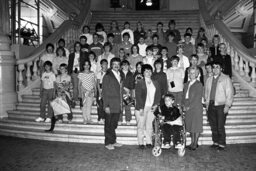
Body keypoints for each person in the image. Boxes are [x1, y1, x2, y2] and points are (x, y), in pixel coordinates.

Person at [205, 61, 234, 151]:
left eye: (217, 67)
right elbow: (206, 93)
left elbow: (230, 93)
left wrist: (227, 105)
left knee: (220, 126)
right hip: (211, 105)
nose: (215, 69)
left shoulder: (226, 78)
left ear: (221, 68)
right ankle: (215, 142)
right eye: (213, 67)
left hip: (221, 105)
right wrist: (207, 105)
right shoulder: (209, 79)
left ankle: (221, 143)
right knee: (213, 125)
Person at [135, 64, 161, 149]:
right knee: (141, 125)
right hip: (142, 107)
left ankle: (149, 142)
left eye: (150, 71)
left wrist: (156, 105)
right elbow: (138, 96)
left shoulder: (155, 83)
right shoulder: (140, 82)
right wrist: (141, 108)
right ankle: (141, 142)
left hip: (151, 107)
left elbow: (158, 95)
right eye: (146, 71)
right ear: (143, 72)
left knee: (149, 125)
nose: (148, 73)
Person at [102, 57, 123, 150]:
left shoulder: (120, 75)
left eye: (118, 64)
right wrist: (106, 105)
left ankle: (113, 141)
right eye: (114, 64)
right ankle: (107, 142)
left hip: (117, 104)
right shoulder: (107, 76)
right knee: (109, 124)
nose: (116, 66)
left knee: (114, 124)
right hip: (110, 104)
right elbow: (104, 92)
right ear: (111, 65)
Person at [182, 67, 203, 150]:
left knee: (196, 126)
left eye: (194, 73)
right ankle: (192, 142)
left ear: (197, 74)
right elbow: (184, 95)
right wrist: (183, 105)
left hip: (196, 107)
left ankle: (195, 143)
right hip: (187, 106)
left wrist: (189, 107)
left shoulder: (199, 84)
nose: (192, 74)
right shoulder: (187, 84)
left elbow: (197, 98)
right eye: (190, 73)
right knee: (190, 125)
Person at [119, 60, 135, 125]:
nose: (125, 66)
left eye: (127, 65)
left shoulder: (130, 74)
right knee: (120, 106)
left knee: (127, 106)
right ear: (121, 66)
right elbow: (118, 82)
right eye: (124, 65)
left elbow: (132, 84)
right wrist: (123, 88)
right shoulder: (118, 73)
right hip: (120, 91)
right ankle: (119, 119)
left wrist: (129, 91)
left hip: (128, 92)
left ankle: (128, 119)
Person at [96, 59, 108, 124]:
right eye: (103, 64)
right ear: (101, 65)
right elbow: (97, 83)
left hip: (107, 89)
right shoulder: (99, 73)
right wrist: (99, 92)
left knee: (106, 104)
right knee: (100, 104)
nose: (105, 65)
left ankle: (104, 118)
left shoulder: (109, 72)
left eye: (106, 64)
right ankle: (100, 117)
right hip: (100, 88)